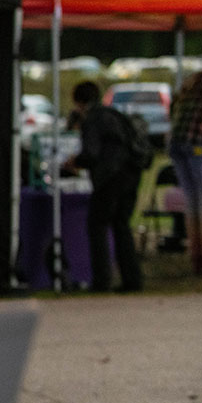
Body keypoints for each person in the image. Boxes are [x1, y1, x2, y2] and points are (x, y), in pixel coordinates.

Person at [65, 80, 143, 292]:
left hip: (110, 177)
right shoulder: (115, 114)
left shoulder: (92, 120)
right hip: (131, 173)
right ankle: (132, 279)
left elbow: (91, 153)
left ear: (78, 102)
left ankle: (101, 281)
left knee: (97, 225)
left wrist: (75, 162)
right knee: (122, 226)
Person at [168, 69, 202, 276]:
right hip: (197, 144)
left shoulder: (195, 79)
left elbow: (174, 105)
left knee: (193, 202)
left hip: (177, 142)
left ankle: (196, 256)